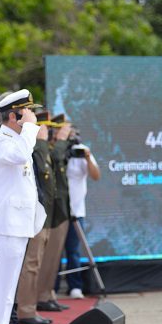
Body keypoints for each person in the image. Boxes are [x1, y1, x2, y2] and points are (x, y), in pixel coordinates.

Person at [0, 89, 45, 324]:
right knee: (0, 290)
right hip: (6, 226)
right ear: (13, 115)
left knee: (7, 291)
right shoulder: (2, 142)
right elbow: (21, 156)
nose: (31, 117)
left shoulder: (16, 140)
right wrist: (30, 127)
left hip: (17, 225)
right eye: (26, 112)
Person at [16, 111, 57, 324]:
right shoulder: (32, 148)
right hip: (32, 214)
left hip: (41, 215)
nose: (48, 131)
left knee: (35, 263)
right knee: (30, 264)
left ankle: (29, 308)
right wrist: (40, 142)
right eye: (44, 127)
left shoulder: (39, 148)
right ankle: (25, 310)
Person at [59, 128, 101, 299]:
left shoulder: (82, 150)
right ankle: (52, 287)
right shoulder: (57, 150)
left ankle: (75, 286)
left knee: (73, 250)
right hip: (58, 210)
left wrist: (88, 157)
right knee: (53, 252)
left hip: (77, 210)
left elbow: (96, 175)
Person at [37, 113, 72, 312]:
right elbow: (57, 157)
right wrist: (60, 141)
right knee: (41, 261)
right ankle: (38, 299)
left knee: (53, 259)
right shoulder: (43, 148)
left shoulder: (49, 147)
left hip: (58, 209)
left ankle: (47, 294)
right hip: (48, 210)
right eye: (50, 128)